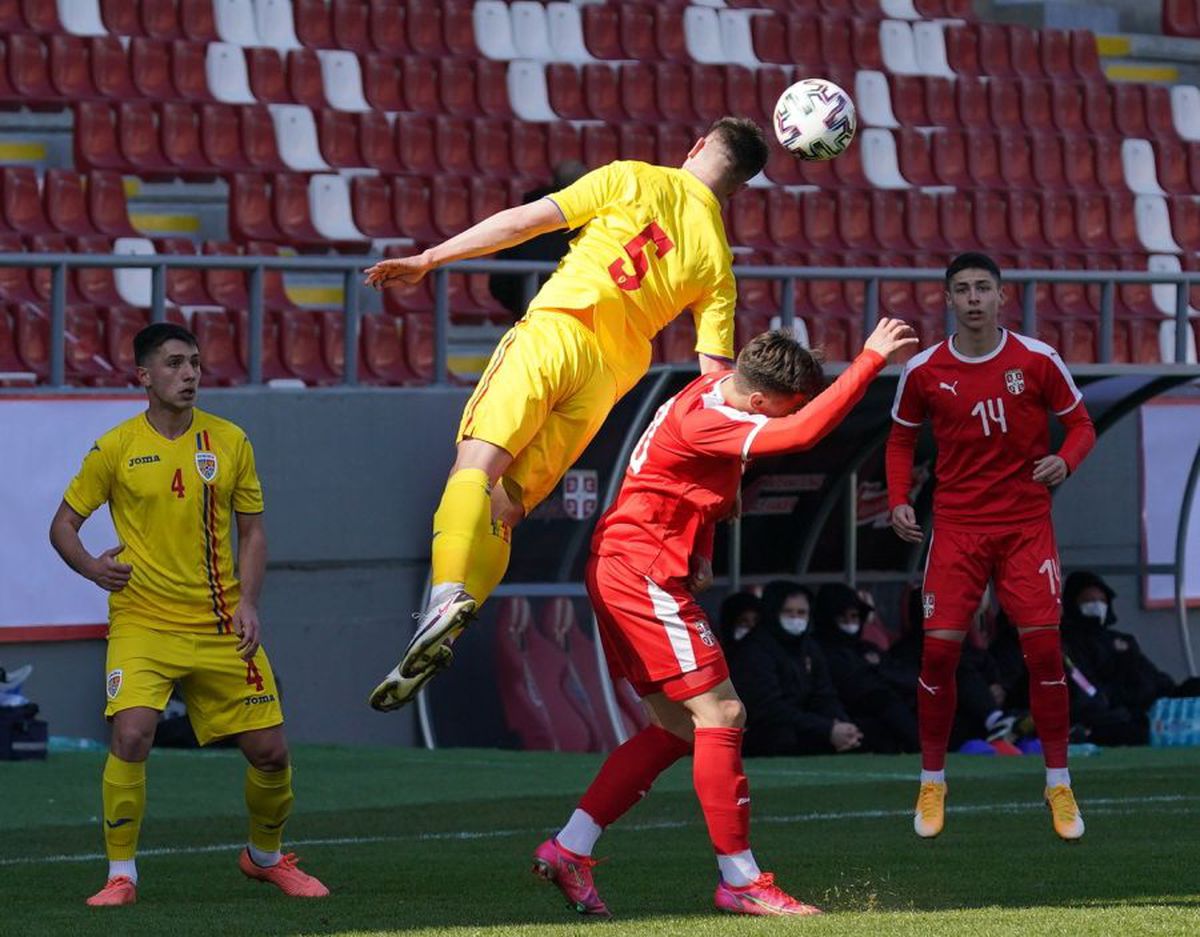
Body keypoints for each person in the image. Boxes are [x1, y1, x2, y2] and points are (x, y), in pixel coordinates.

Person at [363, 118, 771, 711]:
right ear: (739, 187)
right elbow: (716, 395)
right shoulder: (717, 261)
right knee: (507, 506)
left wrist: (432, 256)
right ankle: (458, 613)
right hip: (607, 380)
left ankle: (445, 597)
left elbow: (525, 222)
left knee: (474, 467)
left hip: (559, 330)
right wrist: (718, 500)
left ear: (699, 145)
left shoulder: (633, 177)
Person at [530, 321, 918, 918]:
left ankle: (569, 848)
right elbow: (799, 433)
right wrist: (869, 361)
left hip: (627, 565)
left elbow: (714, 474)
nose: (794, 410)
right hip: (642, 574)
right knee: (725, 713)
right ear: (759, 400)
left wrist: (702, 547)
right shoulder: (708, 416)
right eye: (787, 403)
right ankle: (740, 880)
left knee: (679, 730)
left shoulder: (712, 387)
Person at [48, 324, 328, 907]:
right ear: (143, 376)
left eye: (195, 363)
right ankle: (121, 875)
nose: (190, 374)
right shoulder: (115, 448)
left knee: (271, 752)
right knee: (131, 734)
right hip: (143, 623)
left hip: (221, 622)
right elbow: (63, 526)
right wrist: (91, 569)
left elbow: (252, 532)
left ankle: (265, 858)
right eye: (174, 363)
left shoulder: (229, 441)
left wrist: (249, 602)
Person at [886, 251, 1097, 841]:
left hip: (1027, 528)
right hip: (957, 530)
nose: (974, 297)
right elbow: (901, 440)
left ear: (1001, 297)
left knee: (1045, 655)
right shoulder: (924, 370)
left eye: (983, 287)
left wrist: (1065, 459)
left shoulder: (1037, 359)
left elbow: (1082, 426)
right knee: (937, 657)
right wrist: (900, 497)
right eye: (963, 289)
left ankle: (1058, 781)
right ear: (947, 300)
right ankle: (933, 780)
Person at [731, 581, 864, 757]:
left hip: (803, 722)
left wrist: (842, 724)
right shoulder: (754, 650)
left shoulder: (808, 647)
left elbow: (824, 694)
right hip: (765, 729)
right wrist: (826, 729)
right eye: (788, 612)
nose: (795, 619)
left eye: (801, 613)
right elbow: (768, 709)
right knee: (783, 736)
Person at [1060, 571, 1181, 746]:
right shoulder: (1067, 643)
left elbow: (1151, 676)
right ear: (1073, 604)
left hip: (1144, 706)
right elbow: (1086, 689)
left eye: (1101, 601)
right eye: (1089, 601)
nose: (1097, 606)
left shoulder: (1121, 640)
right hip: (1107, 714)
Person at [811, 583, 919, 754]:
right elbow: (852, 685)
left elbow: (908, 677)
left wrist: (877, 670)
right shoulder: (817, 650)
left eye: (854, 617)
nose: (850, 624)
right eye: (842, 618)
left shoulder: (866, 648)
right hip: (849, 720)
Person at [488, 160, 588, 318]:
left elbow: (499, 284)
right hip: (576, 325)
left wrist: (522, 307)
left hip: (530, 322)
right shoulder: (593, 227)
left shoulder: (523, 220)